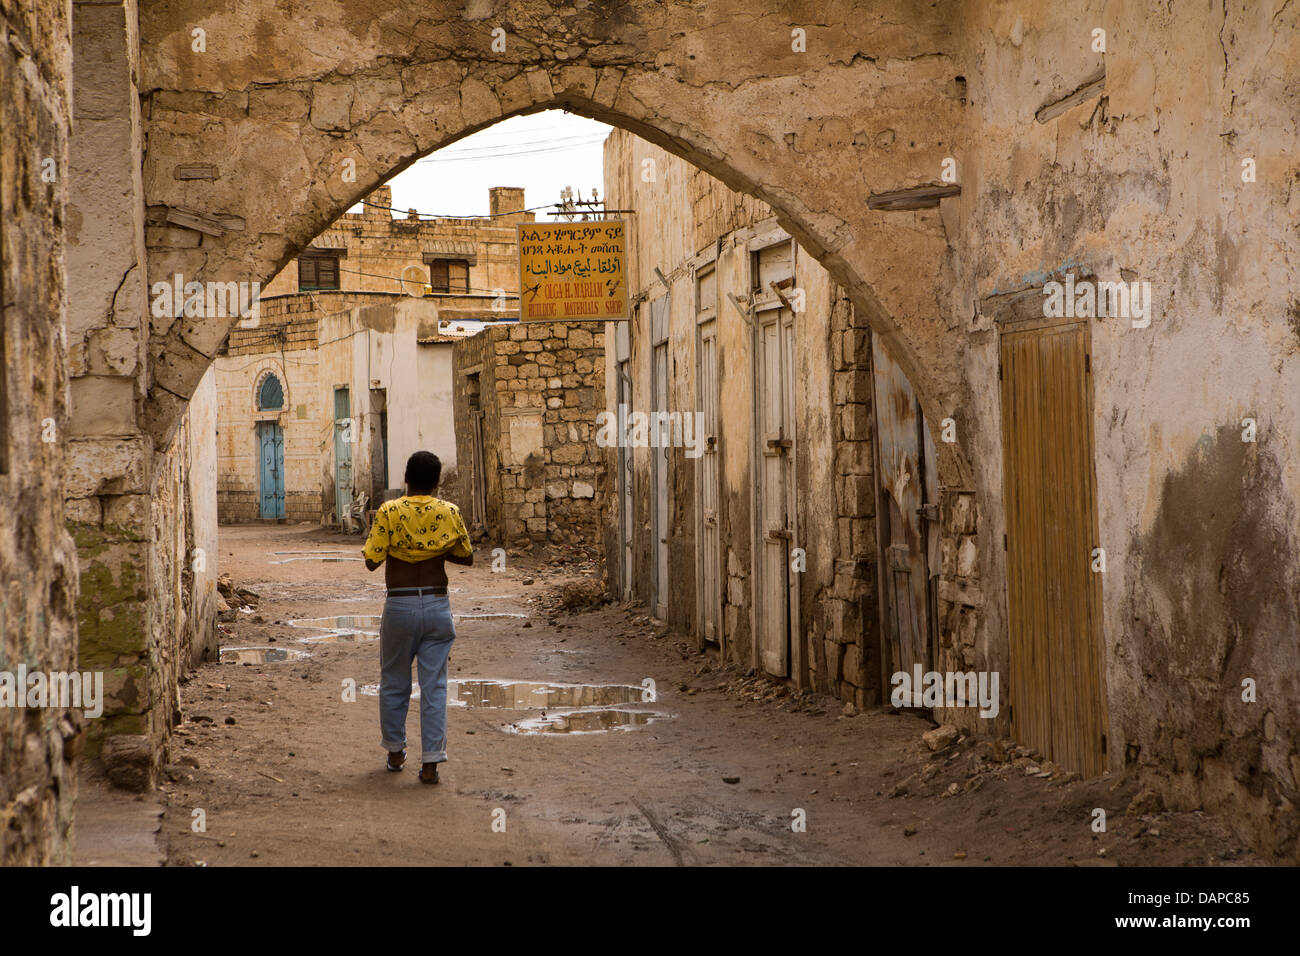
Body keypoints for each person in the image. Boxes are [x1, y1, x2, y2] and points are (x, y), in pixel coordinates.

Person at [362, 450, 473, 784]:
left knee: (394, 681)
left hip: (399, 604)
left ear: (405, 478)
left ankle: (396, 752)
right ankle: (431, 764)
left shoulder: (389, 512)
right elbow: (466, 556)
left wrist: (403, 546)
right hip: (438, 606)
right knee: (435, 686)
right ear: (438, 482)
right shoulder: (449, 512)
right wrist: (432, 547)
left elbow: (371, 560)